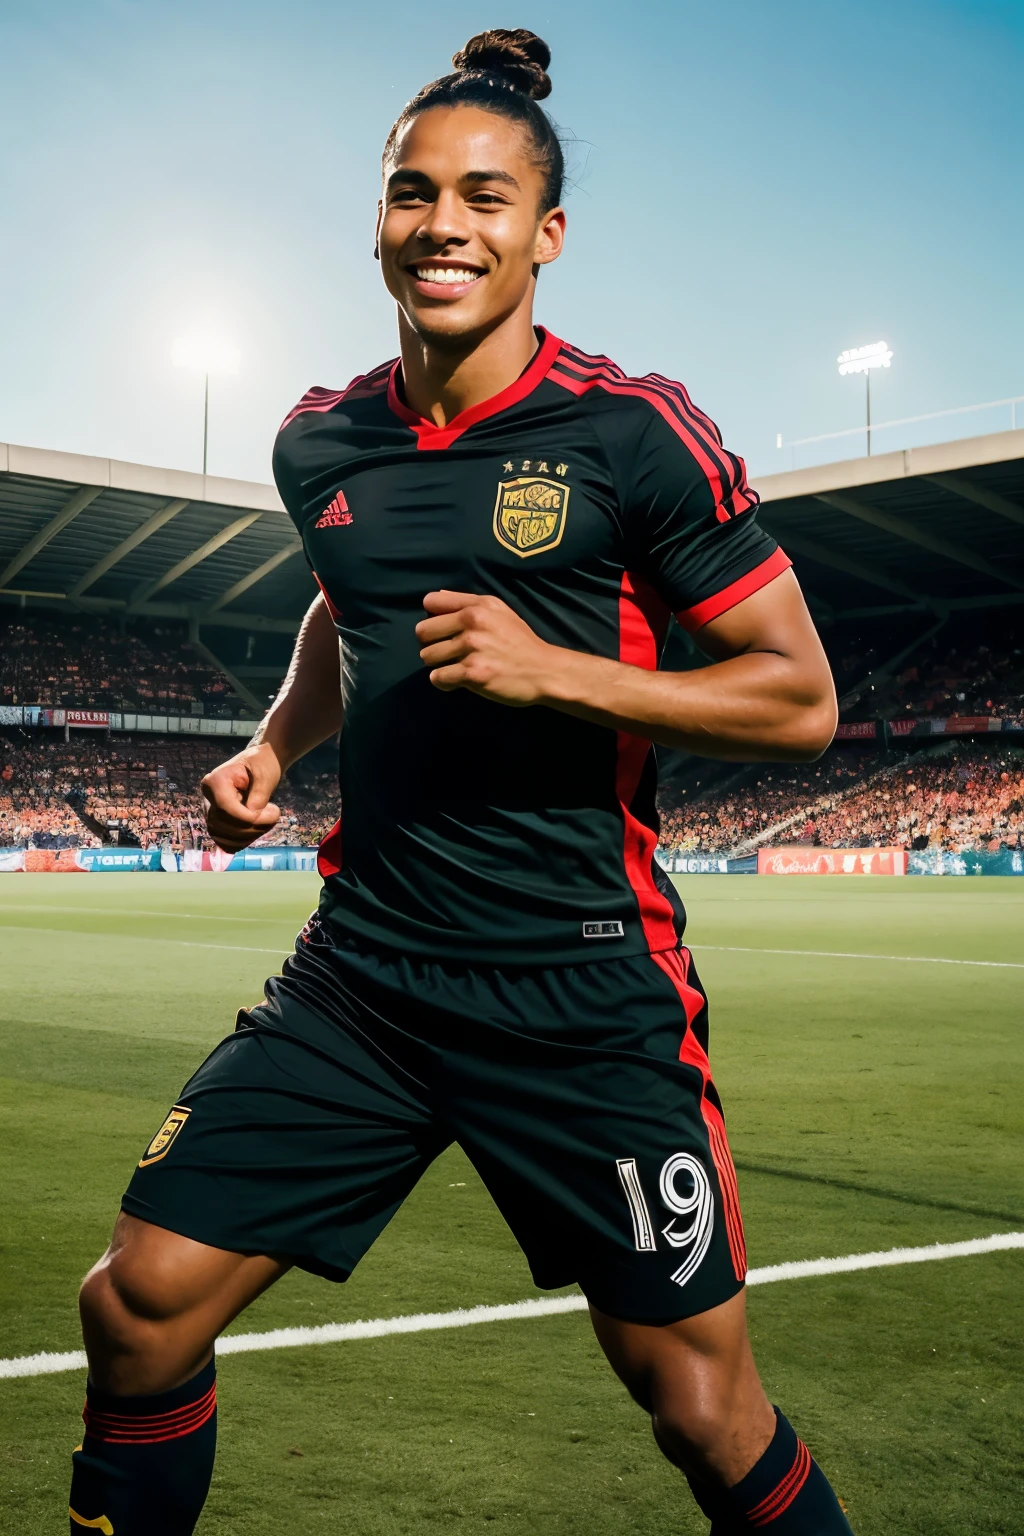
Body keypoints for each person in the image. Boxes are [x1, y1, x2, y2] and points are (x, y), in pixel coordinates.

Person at [69, 29, 848, 1535]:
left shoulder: (632, 433)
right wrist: (276, 746)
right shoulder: (322, 442)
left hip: (578, 987)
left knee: (701, 1407)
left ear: (546, 235)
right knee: (138, 1303)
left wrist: (560, 671)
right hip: (364, 974)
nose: (445, 225)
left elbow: (800, 698)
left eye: (487, 199)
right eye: (414, 192)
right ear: (377, 220)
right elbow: (344, 609)